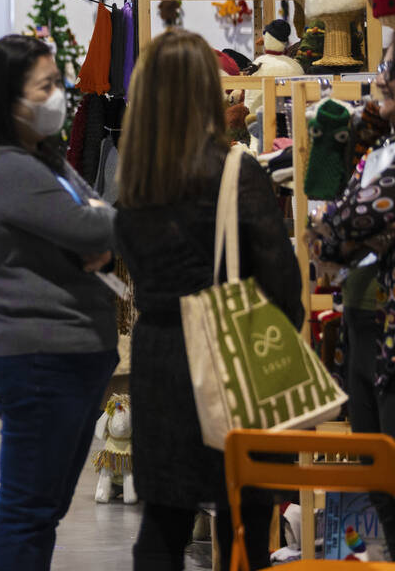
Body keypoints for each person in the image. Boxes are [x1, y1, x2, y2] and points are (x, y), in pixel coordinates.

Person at [115, 29, 302, 570]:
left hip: (160, 359)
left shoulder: (135, 181)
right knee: (244, 522)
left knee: (163, 524)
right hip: (233, 352)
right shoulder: (234, 171)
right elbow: (281, 283)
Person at [0, 34, 118, 571]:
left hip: (66, 356)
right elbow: (96, 221)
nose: (58, 98)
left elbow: (93, 215)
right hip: (43, 358)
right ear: (9, 99)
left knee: (41, 510)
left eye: (58, 84)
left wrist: (93, 235)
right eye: (46, 87)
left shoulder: (39, 159)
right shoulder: (4, 166)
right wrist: (93, 235)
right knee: (28, 511)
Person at [306, 40, 395, 560]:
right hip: (370, 325)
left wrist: (331, 233)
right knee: (375, 465)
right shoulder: (378, 145)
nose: (381, 77)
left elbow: (339, 229)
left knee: (384, 470)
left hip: (385, 331)